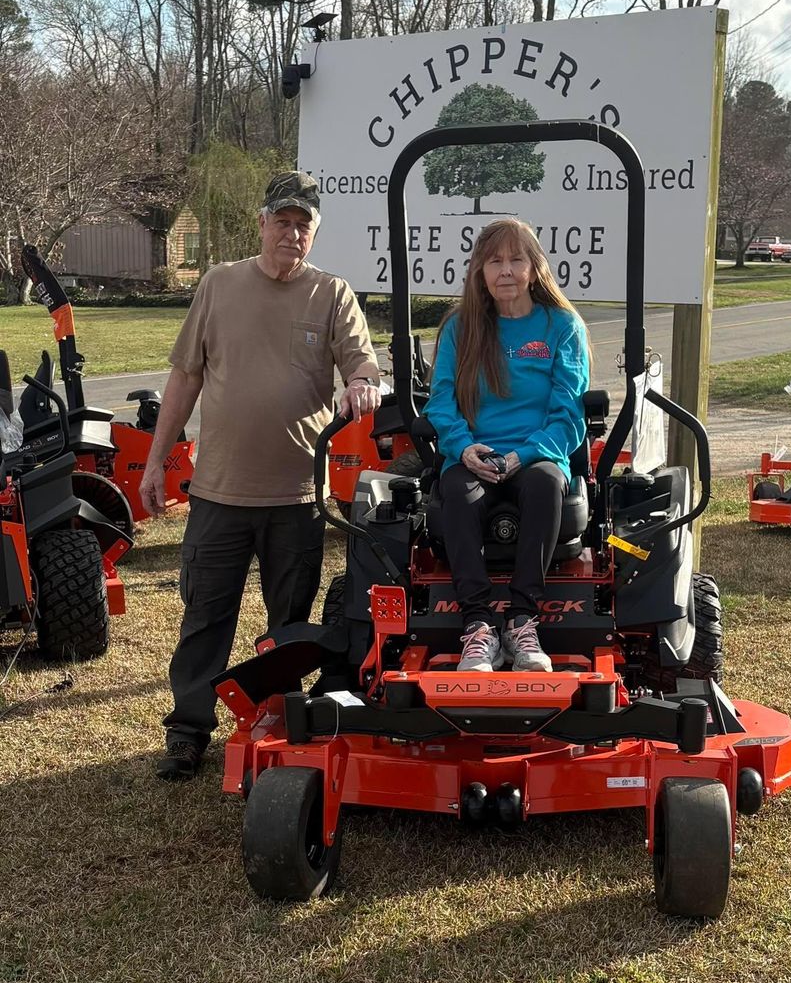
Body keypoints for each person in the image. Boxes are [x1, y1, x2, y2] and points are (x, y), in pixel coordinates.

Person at [142, 171, 381, 781]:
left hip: (297, 497)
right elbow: (184, 379)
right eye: (283, 221)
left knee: (290, 627)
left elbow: (363, 366)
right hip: (219, 493)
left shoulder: (332, 294)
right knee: (205, 618)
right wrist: (154, 460)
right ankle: (189, 732)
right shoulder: (220, 285)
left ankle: (279, 725)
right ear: (262, 222)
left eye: (304, 225)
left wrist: (359, 383)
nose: (292, 234)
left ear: (315, 232)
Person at [425, 218, 591, 674]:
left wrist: (527, 453)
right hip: (474, 454)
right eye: (494, 260)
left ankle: (522, 620)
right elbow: (441, 401)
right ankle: (478, 626)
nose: (505, 270)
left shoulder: (561, 326)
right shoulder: (462, 328)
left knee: (542, 486)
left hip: (537, 455)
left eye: (516, 259)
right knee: (456, 493)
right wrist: (462, 448)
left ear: (534, 268)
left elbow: (568, 413)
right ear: (479, 270)